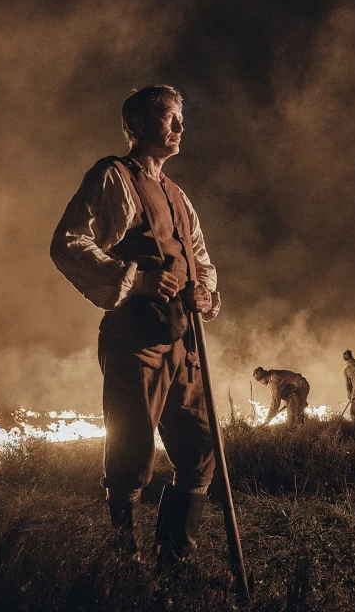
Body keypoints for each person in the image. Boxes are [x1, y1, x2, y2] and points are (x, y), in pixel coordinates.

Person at [50, 85, 221, 565]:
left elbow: (200, 257)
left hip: (183, 341)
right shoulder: (113, 176)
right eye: (170, 118)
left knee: (202, 449)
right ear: (140, 125)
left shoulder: (177, 194)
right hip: (135, 339)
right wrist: (137, 280)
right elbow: (68, 242)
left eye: (180, 118)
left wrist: (204, 292)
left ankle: (172, 559)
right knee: (131, 455)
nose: (180, 127)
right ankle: (121, 563)